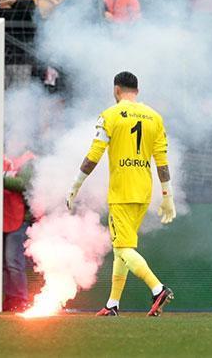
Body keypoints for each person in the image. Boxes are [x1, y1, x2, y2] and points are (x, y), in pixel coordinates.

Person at [66, 71, 176, 317]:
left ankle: (158, 289)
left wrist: (75, 185)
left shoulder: (110, 115)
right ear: (136, 91)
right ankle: (113, 304)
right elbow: (162, 161)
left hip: (121, 192)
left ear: (116, 90)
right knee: (121, 248)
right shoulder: (154, 118)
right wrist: (167, 196)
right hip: (143, 191)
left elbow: (93, 155)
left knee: (124, 247)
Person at [2, 151, 36, 312]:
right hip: (1, 218)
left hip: (20, 218)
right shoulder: (1, 158)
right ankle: (10, 299)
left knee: (13, 261)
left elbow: (24, 184)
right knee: (4, 263)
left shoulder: (28, 161)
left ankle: (20, 299)